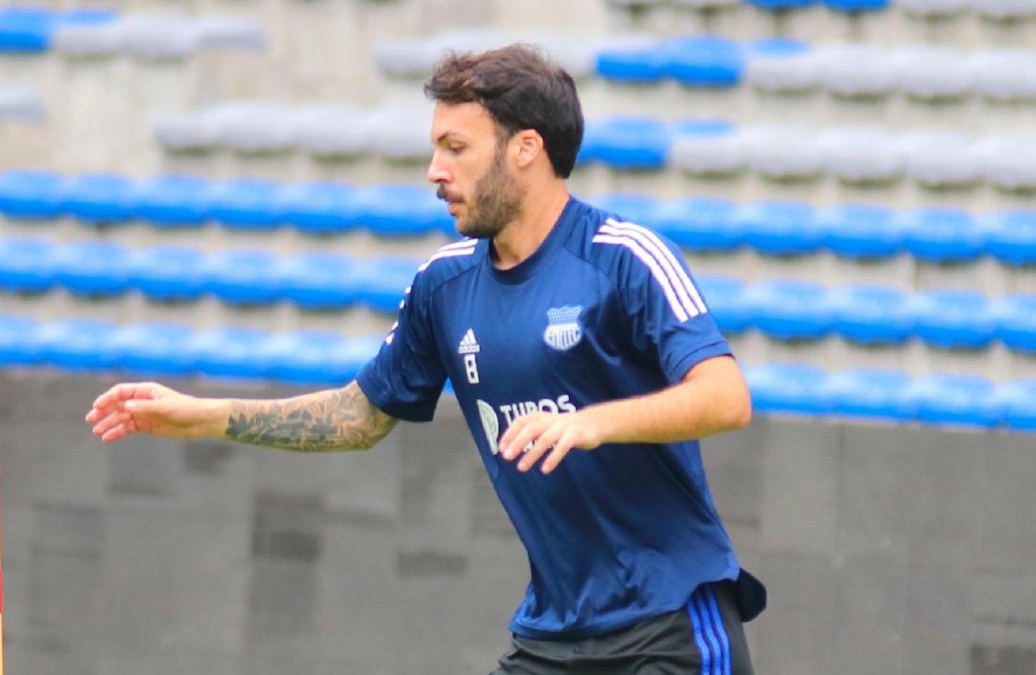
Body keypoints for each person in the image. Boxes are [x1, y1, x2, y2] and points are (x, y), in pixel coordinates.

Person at [86, 43, 765, 674]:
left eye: (456, 147)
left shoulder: (624, 259)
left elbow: (726, 396)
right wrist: (202, 416)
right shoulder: (443, 285)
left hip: (669, 621)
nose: (435, 171)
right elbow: (360, 416)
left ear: (525, 149)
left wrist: (593, 422)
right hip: (555, 634)